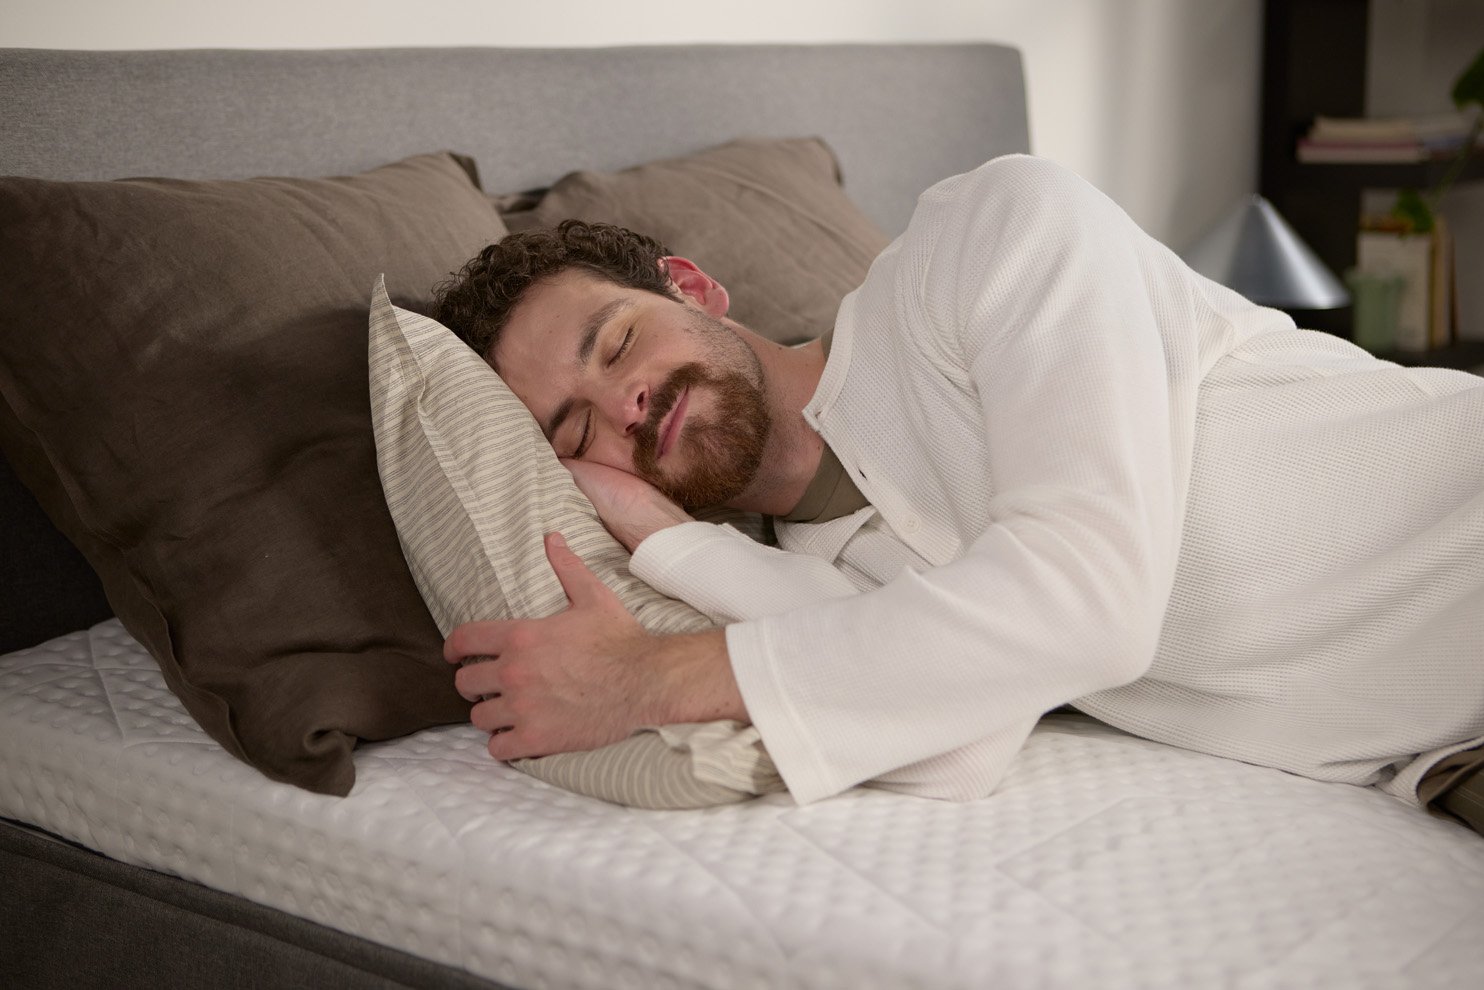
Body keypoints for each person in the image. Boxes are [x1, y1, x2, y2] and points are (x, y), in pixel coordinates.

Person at [433, 154, 1484, 830]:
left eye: (617, 341)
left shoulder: (986, 239)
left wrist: (647, 678)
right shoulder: (791, 580)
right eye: (576, 431)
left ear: (695, 288)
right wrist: (669, 546)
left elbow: (1087, 605)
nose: (625, 401)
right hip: (1445, 752)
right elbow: (957, 750)